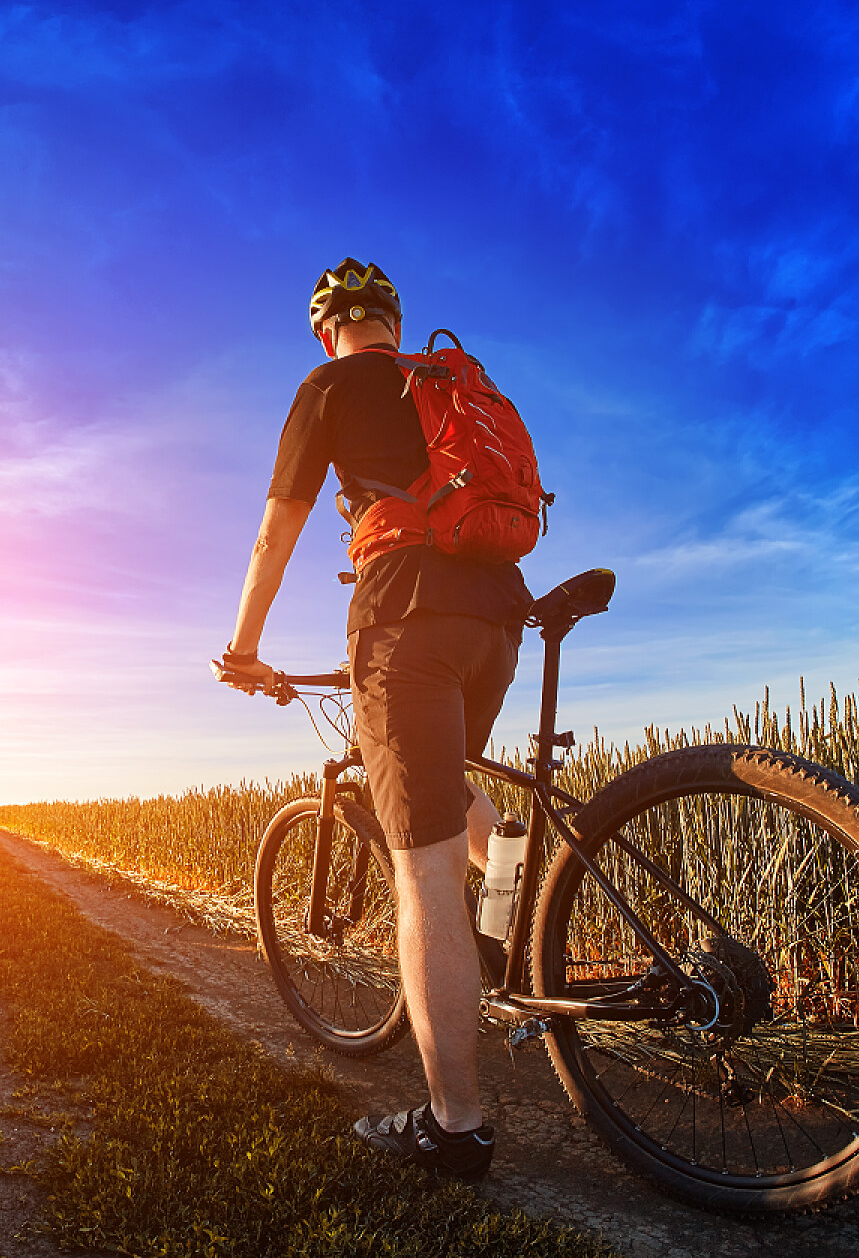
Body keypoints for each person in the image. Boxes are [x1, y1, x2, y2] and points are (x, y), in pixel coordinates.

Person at [215, 258, 533, 1183]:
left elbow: (276, 531)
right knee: (454, 799)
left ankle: (455, 1126)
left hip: (407, 620)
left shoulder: (329, 386)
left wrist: (244, 647)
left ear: (329, 332)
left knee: (422, 866)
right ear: (394, 322)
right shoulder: (454, 385)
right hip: (499, 616)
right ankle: (519, 921)